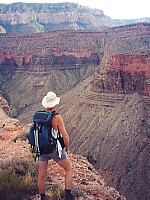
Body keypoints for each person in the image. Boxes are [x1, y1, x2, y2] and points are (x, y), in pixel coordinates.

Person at [38, 91, 74, 200]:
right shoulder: (57, 117)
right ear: (54, 104)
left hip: (42, 149)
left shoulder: (39, 115)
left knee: (41, 174)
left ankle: (43, 197)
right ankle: (68, 196)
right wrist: (66, 149)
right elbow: (65, 136)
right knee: (69, 169)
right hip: (53, 149)